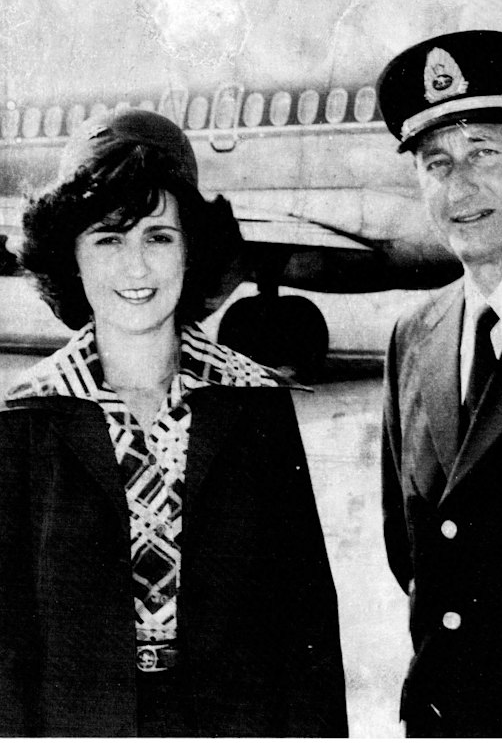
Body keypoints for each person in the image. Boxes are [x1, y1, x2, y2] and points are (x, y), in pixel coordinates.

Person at [0, 108, 348, 738]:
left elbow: (305, 629)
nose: (136, 267)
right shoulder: (24, 416)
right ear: (71, 256)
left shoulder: (256, 403)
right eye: (108, 238)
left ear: (192, 249)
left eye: (159, 237)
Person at [376, 29, 502, 737]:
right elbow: (411, 554)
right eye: (436, 163)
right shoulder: (414, 336)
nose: (458, 186)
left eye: (483, 154)